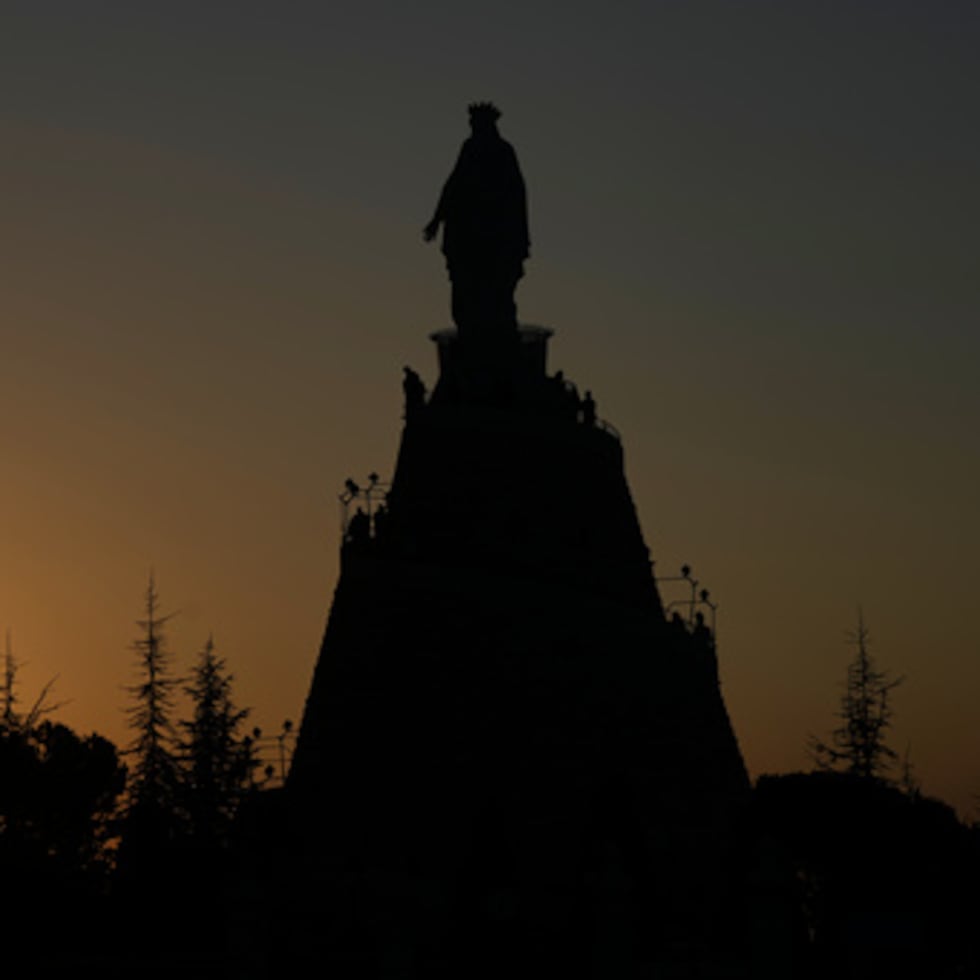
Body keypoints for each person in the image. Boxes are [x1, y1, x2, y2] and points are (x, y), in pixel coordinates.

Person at [423, 102, 530, 339]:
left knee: (496, 298)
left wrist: (514, 240)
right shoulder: (470, 149)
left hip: (495, 242)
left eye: (476, 125)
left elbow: (515, 197)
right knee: (467, 297)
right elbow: (453, 186)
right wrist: (437, 219)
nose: (473, 129)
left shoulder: (503, 153)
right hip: (468, 241)